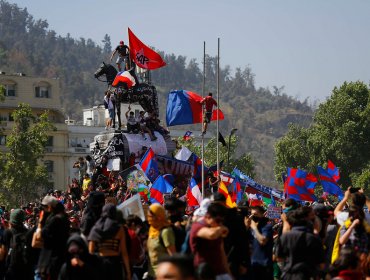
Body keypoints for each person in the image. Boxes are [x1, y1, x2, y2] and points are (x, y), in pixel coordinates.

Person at [276, 206, 325, 280]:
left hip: (288, 275)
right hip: (308, 275)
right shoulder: (314, 238)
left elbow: (279, 258)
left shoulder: (285, 236)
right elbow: (321, 264)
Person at [88, 204, 131, 280]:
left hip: (100, 264)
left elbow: (90, 253)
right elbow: (124, 252)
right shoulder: (119, 228)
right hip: (115, 264)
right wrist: (128, 272)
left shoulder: (95, 228)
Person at [189, 202, 231, 279]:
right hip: (204, 273)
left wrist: (229, 273)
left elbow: (221, 252)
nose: (220, 224)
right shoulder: (197, 226)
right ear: (208, 217)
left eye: (222, 221)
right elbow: (211, 235)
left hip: (220, 272)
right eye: (218, 221)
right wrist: (222, 228)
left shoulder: (217, 229)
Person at [36, 196, 70, 280]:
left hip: (52, 259)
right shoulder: (64, 217)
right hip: (62, 257)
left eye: (44, 207)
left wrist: (40, 222)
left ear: (50, 207)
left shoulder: (55, 220)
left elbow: (39, 236)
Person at [0, 209, 34, 280]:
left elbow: (2, 255)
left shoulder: (7, 233)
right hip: (27, 272)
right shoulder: (29, 233)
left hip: (12, 272)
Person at [147, 204, 176, 279]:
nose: (148, 218)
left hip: (163, 275)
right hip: (151, 274)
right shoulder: (151, 230)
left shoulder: (166, 232)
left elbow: (173, 256)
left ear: (158, 217)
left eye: (150, 216)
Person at [245, 206, 274, 280]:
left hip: (264, 265)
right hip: (252, 264)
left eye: (255, 214)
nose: (252, 217)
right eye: (251, 214)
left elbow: (263, 241)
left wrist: (254, 228)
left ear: (262, 214)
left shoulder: (267, 226)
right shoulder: (250, 228)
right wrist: (246, 227)